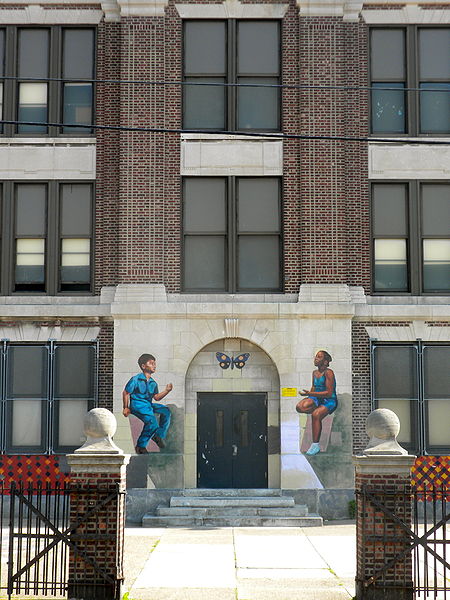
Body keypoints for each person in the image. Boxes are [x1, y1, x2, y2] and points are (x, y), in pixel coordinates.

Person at [122, 353, 172, 454]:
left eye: (155, 363)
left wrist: (167, 391)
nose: (154, 365)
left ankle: (158, 435)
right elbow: (126, 392)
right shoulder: (135, 379)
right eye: (151, 363)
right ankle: (140, 446)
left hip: (148, 405)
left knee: (166, 411)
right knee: (152, 422)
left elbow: (156, 398)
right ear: (143, 366)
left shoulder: (153, 383)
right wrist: (126, 407)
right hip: (137, 405)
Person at [296, 350, 337, 456]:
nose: (316, 358)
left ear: (325, 361)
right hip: (317, 398)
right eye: (316, 356)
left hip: (329, 400)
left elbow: (329, 393)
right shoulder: (314, 373)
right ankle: (316, 412)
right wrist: (309, 397)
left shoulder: (329, 373)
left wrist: (310, 393)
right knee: (300, 406)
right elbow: (313, 388)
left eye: (319, 357)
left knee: (316, 414)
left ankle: (315, 445)